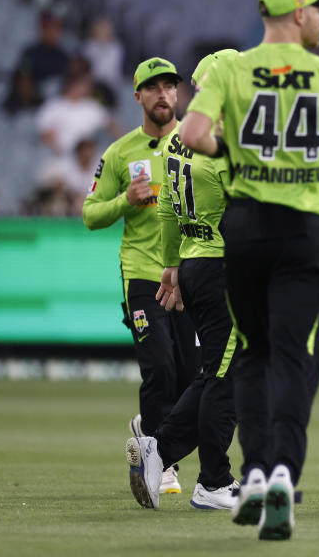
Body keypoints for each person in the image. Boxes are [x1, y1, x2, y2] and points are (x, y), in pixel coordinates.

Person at [177, 0, 319, 541]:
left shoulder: (232, 69)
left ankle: (255, 475)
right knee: (291, 358)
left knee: (254, 355)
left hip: (246, 225)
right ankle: (283, 475)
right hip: (303, 228)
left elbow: (191, 133)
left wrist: (239, 153)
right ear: (298, 12)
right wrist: (307, 158)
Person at [125, 50, 242, 512]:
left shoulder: (180, 140)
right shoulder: (225, 139)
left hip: (194, 264)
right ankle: (211, 479)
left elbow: (170, 211)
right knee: (222, 377)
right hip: (224, 269)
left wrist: (172, 267)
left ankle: (163, 450)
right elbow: (245, 216)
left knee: (215, 371)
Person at [83, 58, 200, 499]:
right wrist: (124, 203)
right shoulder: (119, 152)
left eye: (170, 86)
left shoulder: (196, 142)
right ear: (138, 96)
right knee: (160, 371)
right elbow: (90, 213)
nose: (163, 94)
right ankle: (162, 463)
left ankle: (147, 430)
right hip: (142, 277)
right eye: (152, 88)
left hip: (188, 277)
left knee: (192, 378)